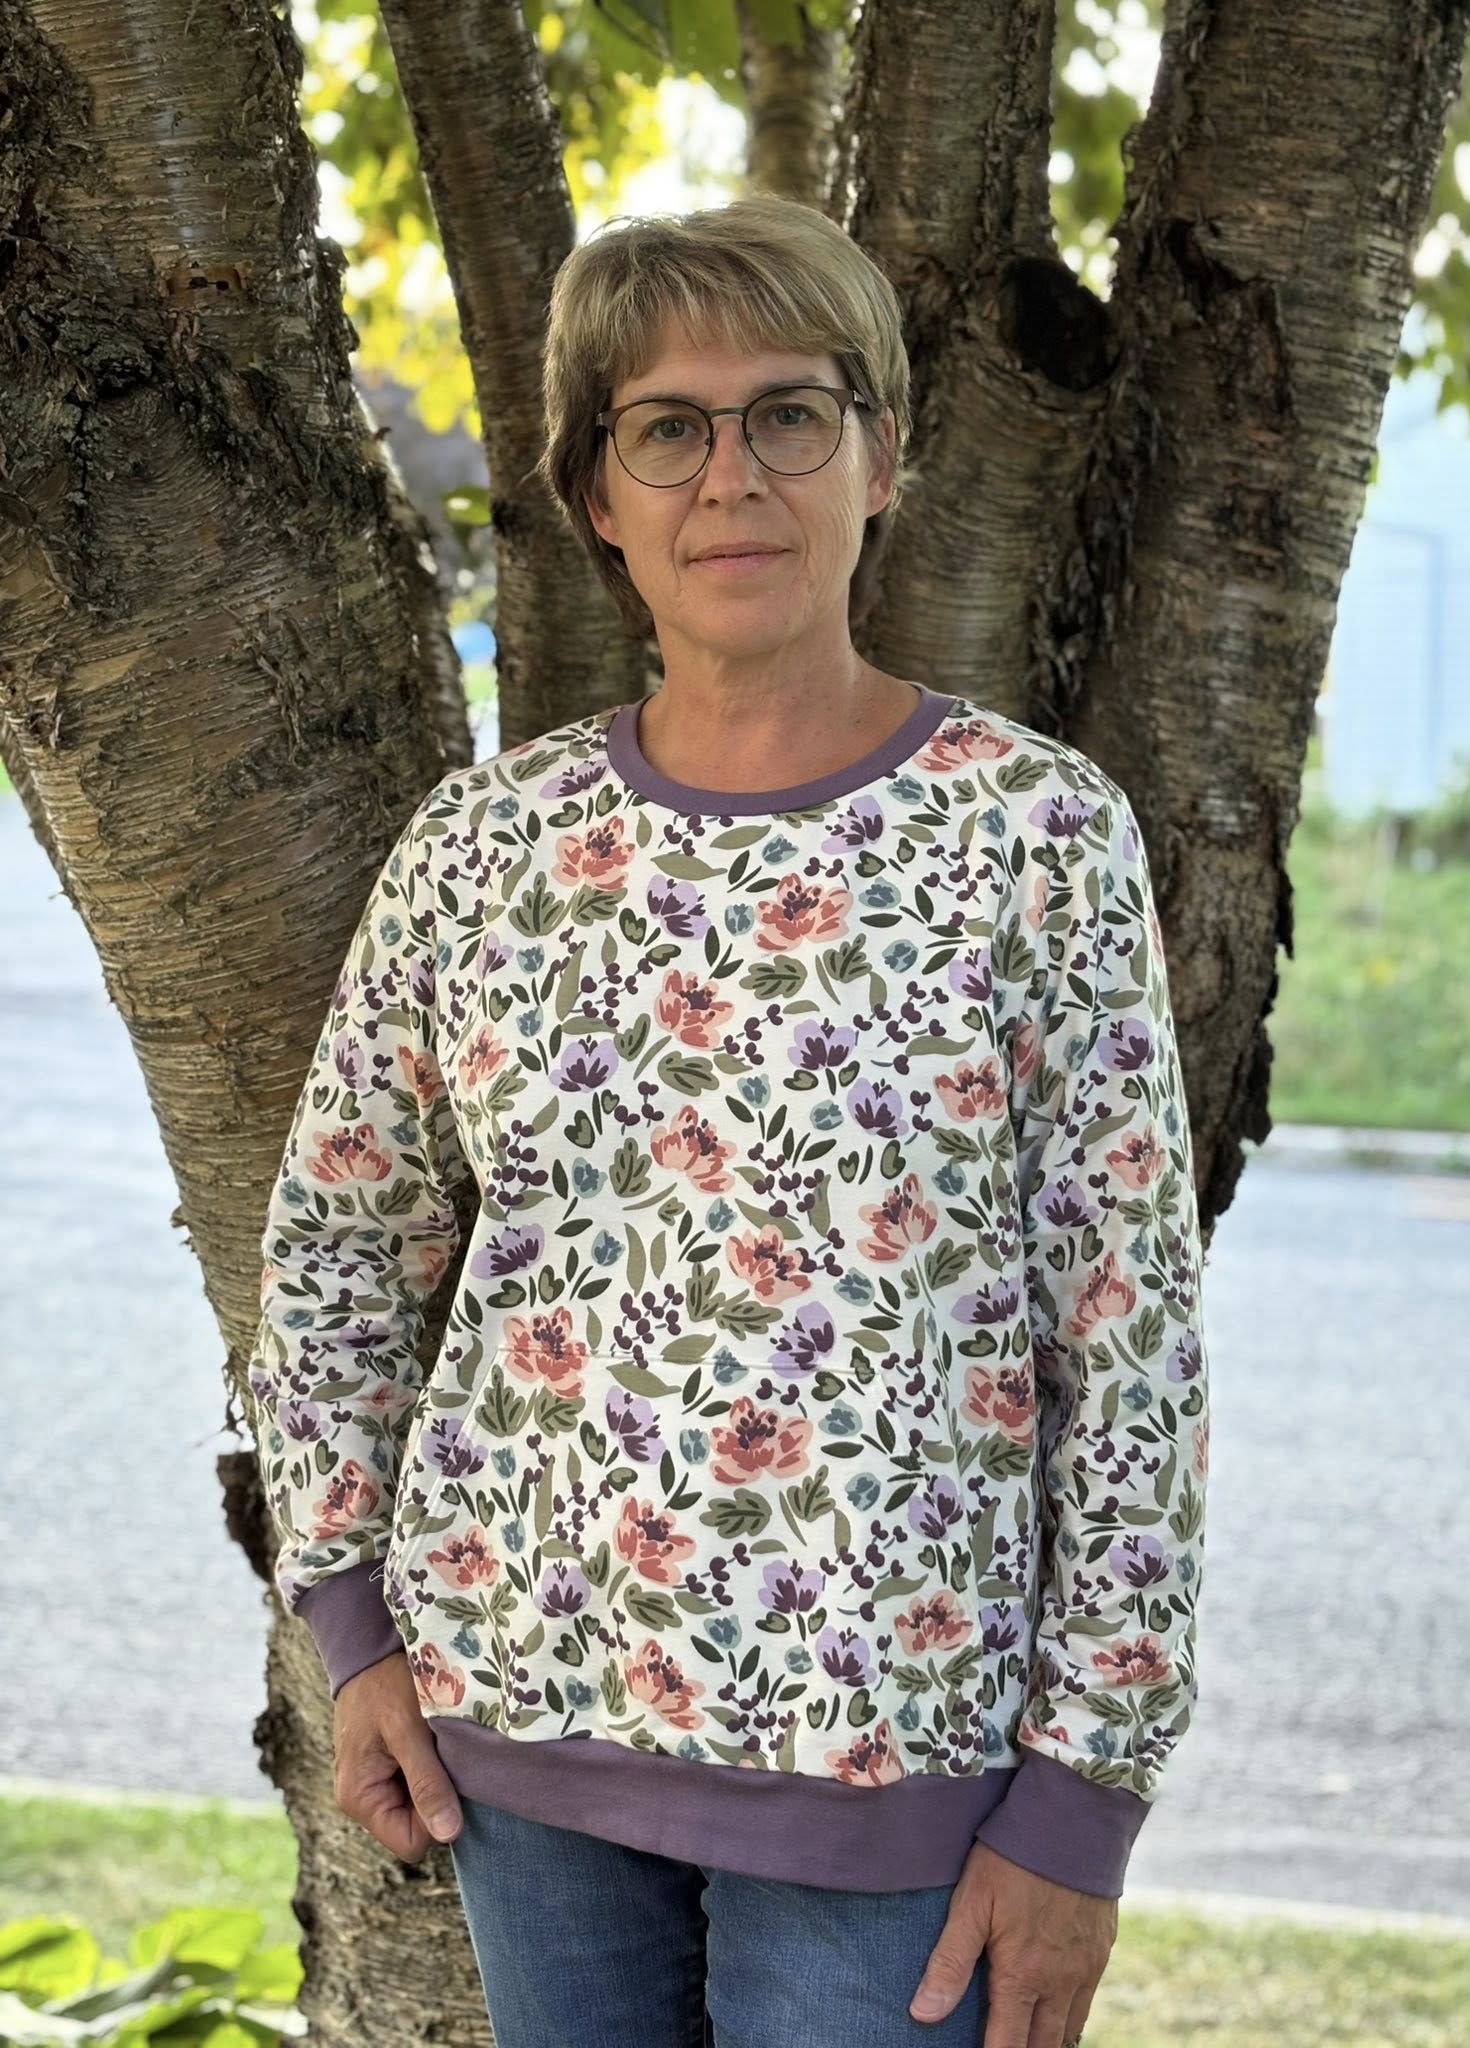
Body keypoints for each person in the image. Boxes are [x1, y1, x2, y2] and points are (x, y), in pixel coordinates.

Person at [246, 193, 1209, 2048]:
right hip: (517, 1737)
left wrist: (1085, 1797)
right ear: (596, 496)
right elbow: (339, 1245)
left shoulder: (1034, 833)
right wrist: (351, 1621)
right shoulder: (486, 848)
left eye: (790, 414)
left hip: (900, 1767)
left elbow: (1129, 1341)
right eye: (667, 429)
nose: (732, 477)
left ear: (881, 459)